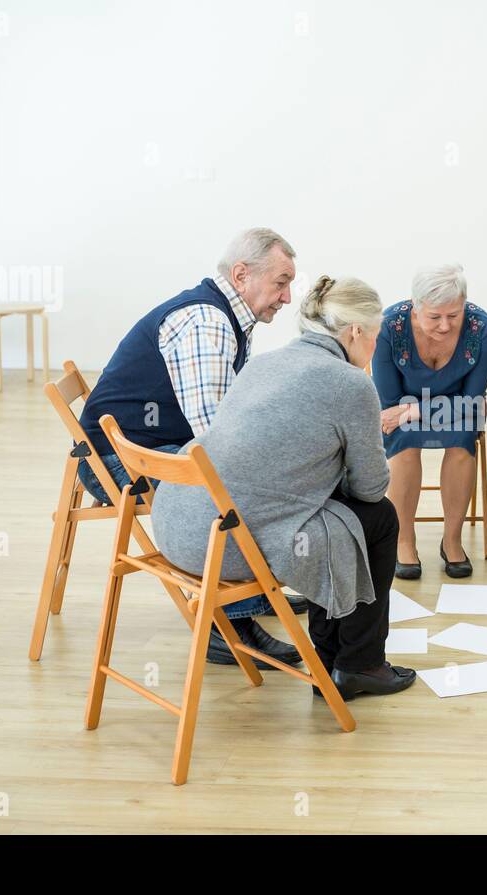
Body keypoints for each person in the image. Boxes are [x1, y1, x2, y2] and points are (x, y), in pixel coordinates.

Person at [151, 276, 416, 702]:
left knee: (332, 514)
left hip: (175, 527)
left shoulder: (264, 363)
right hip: (225, 545)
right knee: (380, 517)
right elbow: (369, 488)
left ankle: (331, 656)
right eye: (377, 336)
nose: (376, 348)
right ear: (354, 332)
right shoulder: (352, 385)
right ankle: (360, 664)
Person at [75, 227, 309, 668]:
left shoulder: (229, 316)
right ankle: (228, 625)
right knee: (233, 490)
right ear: (242, 275)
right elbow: (217, 436)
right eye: (281, 282)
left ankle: (252, 592)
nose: (288, 297)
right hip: (115, 461)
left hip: (140, 446)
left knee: (254, 476)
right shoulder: (208, 322)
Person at [371, 264, 487, 579]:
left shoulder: (482, 328)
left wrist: (417, 411)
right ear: (415, 307)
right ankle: (403, 539)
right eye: (434, 317)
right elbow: (390, 405)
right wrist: (410, 413)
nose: (444, 326)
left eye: (454, 316)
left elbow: (472, 400)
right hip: (402, 408)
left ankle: (452, 540)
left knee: (461, 441)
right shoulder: (389, 326)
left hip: (457, 411)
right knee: (405, 440)